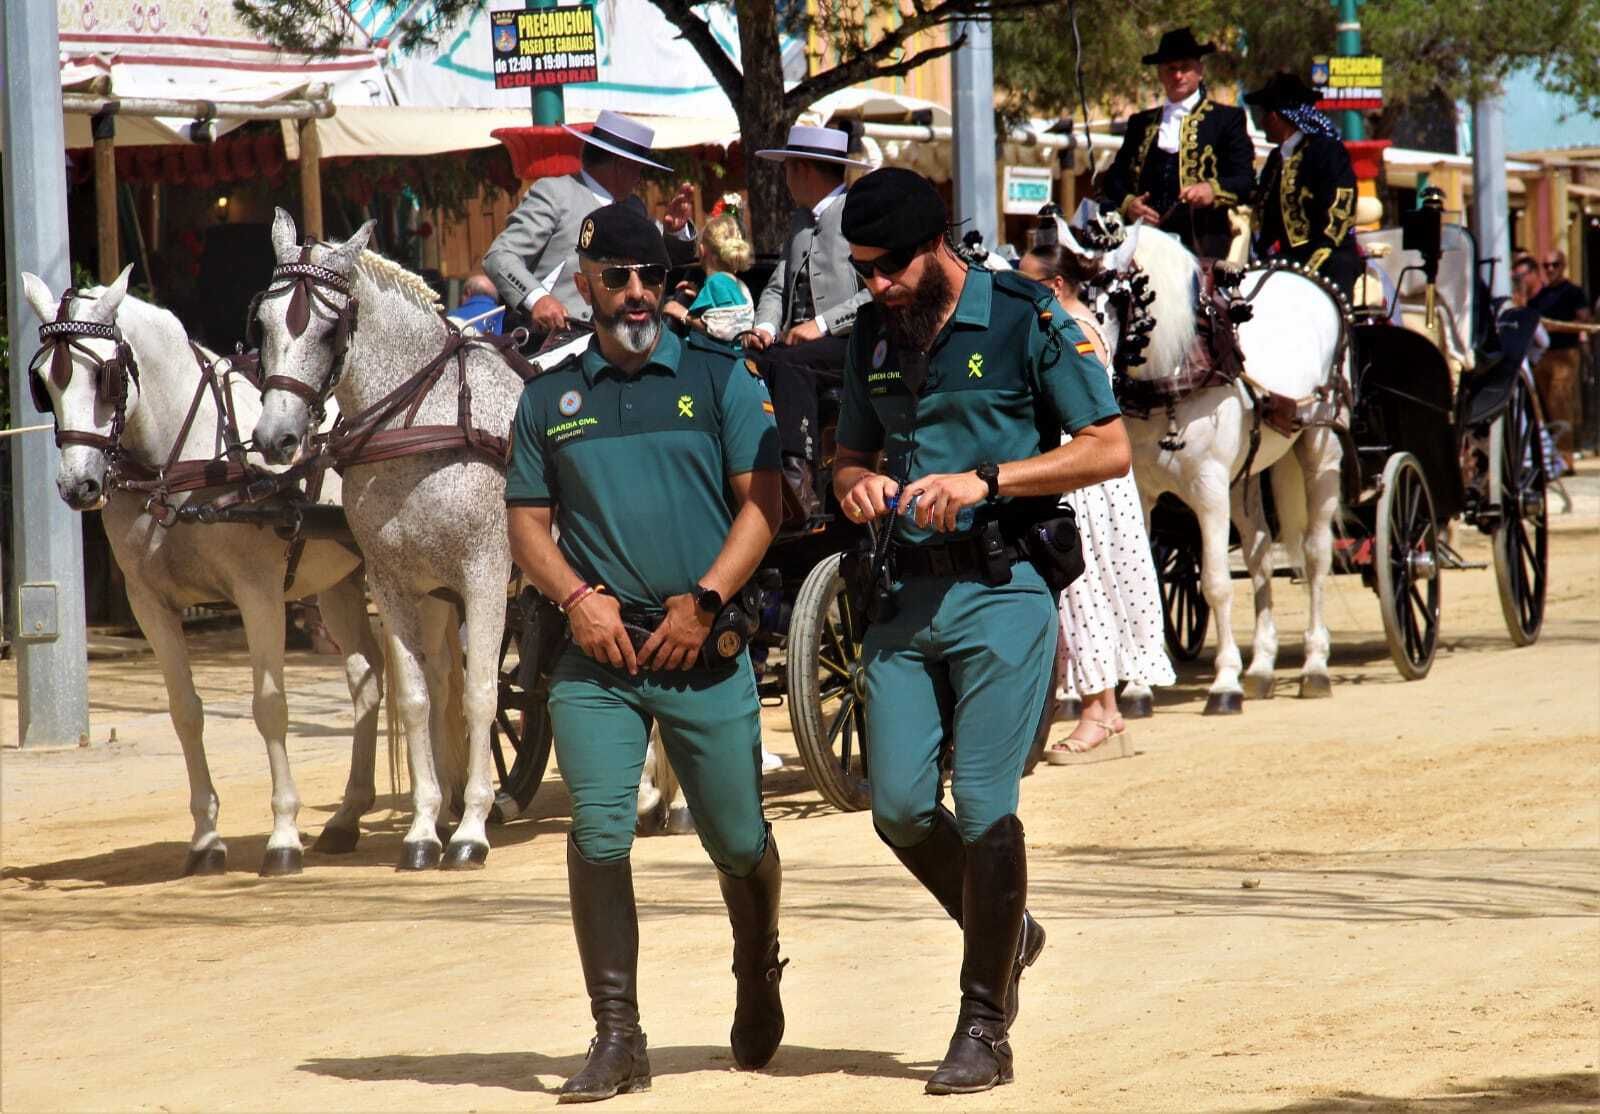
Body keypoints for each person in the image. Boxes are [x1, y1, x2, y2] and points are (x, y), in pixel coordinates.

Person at [832, 168, 1131, 1095]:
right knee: (898, 811)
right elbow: (849, 456)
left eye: (885, 268)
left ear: (935, 250)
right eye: (860, 270)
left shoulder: (1024, 315)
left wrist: (989, 481)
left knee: (985, 803)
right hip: (901, 600)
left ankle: (983, 1024)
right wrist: (856, 485)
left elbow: (1108, 446)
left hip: (1002, 591)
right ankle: (1011, 929)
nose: (873, 286)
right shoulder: (872, 334)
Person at [504, 203, 786, 1101]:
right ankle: (618, 1035)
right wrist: (577, 600)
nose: (636, 294)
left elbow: (763, 505)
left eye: (652, 278)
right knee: (597, 830)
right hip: (601, 661)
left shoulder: (717, 376)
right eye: (617, 277)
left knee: (739, 841)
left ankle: (757, 964)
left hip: (703, 651)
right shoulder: (549, 398)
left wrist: (706, 603)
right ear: (583, 284)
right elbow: (526, 525)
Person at [1016, 242, 1175, 762]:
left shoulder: (1072, 329)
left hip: (1083, 477)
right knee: (1088, 591)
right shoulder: (1069, 323)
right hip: (1084, 476)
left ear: (1056, 285)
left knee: (1084, 591)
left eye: (1029, 281)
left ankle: (1099, 712)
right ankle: (1101, 709)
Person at [745, 124, 874, 517]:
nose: (784, 179)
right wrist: (764, 327)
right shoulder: (799, 223)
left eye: (787, 169)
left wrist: (822, 325)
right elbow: (776, 287)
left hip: (852, 339)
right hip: (798, 348)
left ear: (802, 169)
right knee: (747, 362)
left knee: (789, 361)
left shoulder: (858, 211)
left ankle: (797, 481)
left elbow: (877, 289)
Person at [483, 110, 697, 337]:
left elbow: (665, 263)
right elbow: (499, 256)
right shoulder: (555, 194)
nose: (640, 178)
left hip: (627, 338)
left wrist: (676, 231)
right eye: (638, 168)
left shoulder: (634, 207)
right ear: (620, 164)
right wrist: (538, 298)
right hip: (559, 342)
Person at [1097, 26, 1255, 259]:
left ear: (1199, 70)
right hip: (1144, 242)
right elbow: (1114, 178)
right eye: (1171, 69)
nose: (1178, 76)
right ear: (1160, 73)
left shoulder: (1226, 119)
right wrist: (1129, 203)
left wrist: (1212, 189)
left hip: (1202, 243)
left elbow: (1245, 181)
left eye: (1185, 68)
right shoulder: (1141, 123)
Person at [1245, 72, 1361, 296]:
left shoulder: (1326, 152)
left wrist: (1313, 260)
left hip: (1329, 254)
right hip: (1287, 259)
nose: (1261, 122)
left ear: (1276, 117)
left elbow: (1339, 210)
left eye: (1264, 115)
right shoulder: (1275, 160)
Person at [1528, 248, 1591, 467]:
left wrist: (1555, 328)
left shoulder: (1573, 292)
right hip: (1542, 356)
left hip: (1564, 355)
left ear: (1563, 266)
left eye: (1554, 265)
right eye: (1546, 266)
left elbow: (1583, 321)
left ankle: (1566, 458)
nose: (1550, 269)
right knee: (1542, 407)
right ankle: (1550, 458)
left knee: (1561, 405)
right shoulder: (1539, 296)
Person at [663, 200, 756, 342]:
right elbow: (723, 312)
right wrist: (700, 297)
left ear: (702, 251)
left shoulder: (716, 283)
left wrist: (683, 314)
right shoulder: (736, 284)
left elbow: (724, 328)